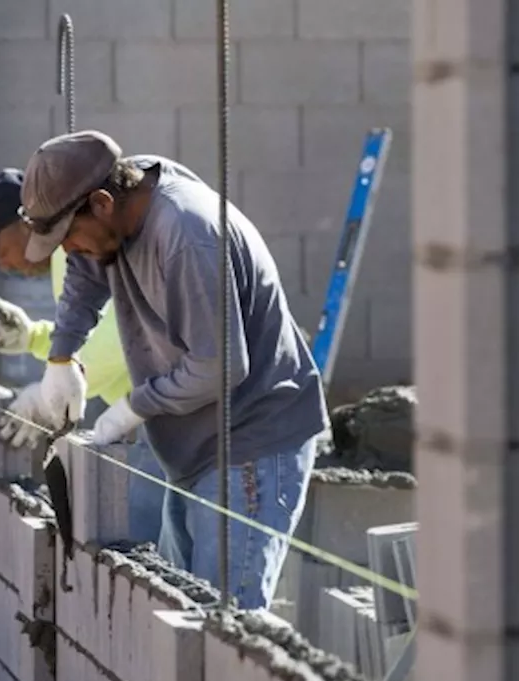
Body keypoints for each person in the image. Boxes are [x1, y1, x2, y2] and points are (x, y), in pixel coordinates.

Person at [18, 130, 327, 610]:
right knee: (184, 611)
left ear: (100, 204)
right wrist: (61, 356)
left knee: (225, 625)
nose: (69, 252)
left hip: (250, 445)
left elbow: (218, 365)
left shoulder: (184, 233)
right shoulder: (122, 202)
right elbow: (84, 276)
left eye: (68, 238)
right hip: (194, 447)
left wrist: (132, 408)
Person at [0, 167, 168, 548]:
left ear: (24, 223)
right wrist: (35, 338)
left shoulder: (83, 246)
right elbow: (87, 334)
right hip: (160, 418)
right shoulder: (67, 257)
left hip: (193, 413)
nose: (2, 263)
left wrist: (46, 392)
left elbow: (123, 336)